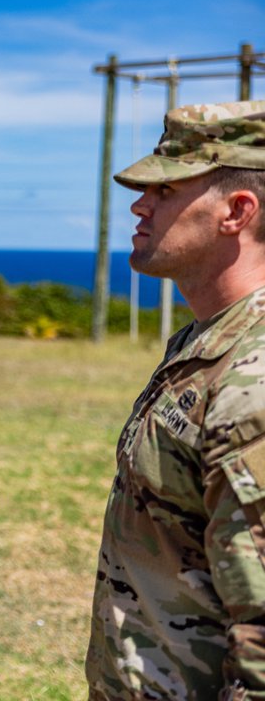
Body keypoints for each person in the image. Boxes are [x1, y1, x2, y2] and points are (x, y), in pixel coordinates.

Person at [87, 100, 265, 701]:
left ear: (237, 213)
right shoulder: (203, 341)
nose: (141, 203)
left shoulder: (253, 376)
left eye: (166, 189)